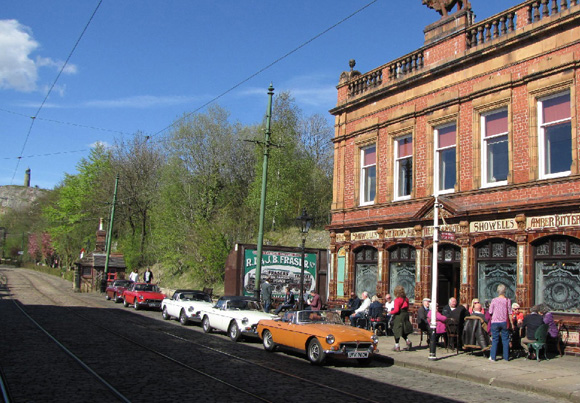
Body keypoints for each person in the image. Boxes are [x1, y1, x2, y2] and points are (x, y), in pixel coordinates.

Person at [488, 284, 512, 361]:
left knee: (495, 339)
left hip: (495, 322)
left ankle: (493, 357)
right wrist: (511, 323)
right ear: (505, 291)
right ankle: (506, 357)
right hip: (504, 322)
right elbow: (510, 313)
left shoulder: (494, 300)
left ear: (497, 291)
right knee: (505, 340)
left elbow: (490, 311)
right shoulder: (508, 300)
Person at [390, 285, 414, 351]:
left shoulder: (397, 300)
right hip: (405, 315)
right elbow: (407, 307)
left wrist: (390, 312)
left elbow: (396, 310)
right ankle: (407, 341)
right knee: (403, 330)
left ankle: (397, 346)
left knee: (396, 330)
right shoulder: (406, 299)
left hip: (399, 316)